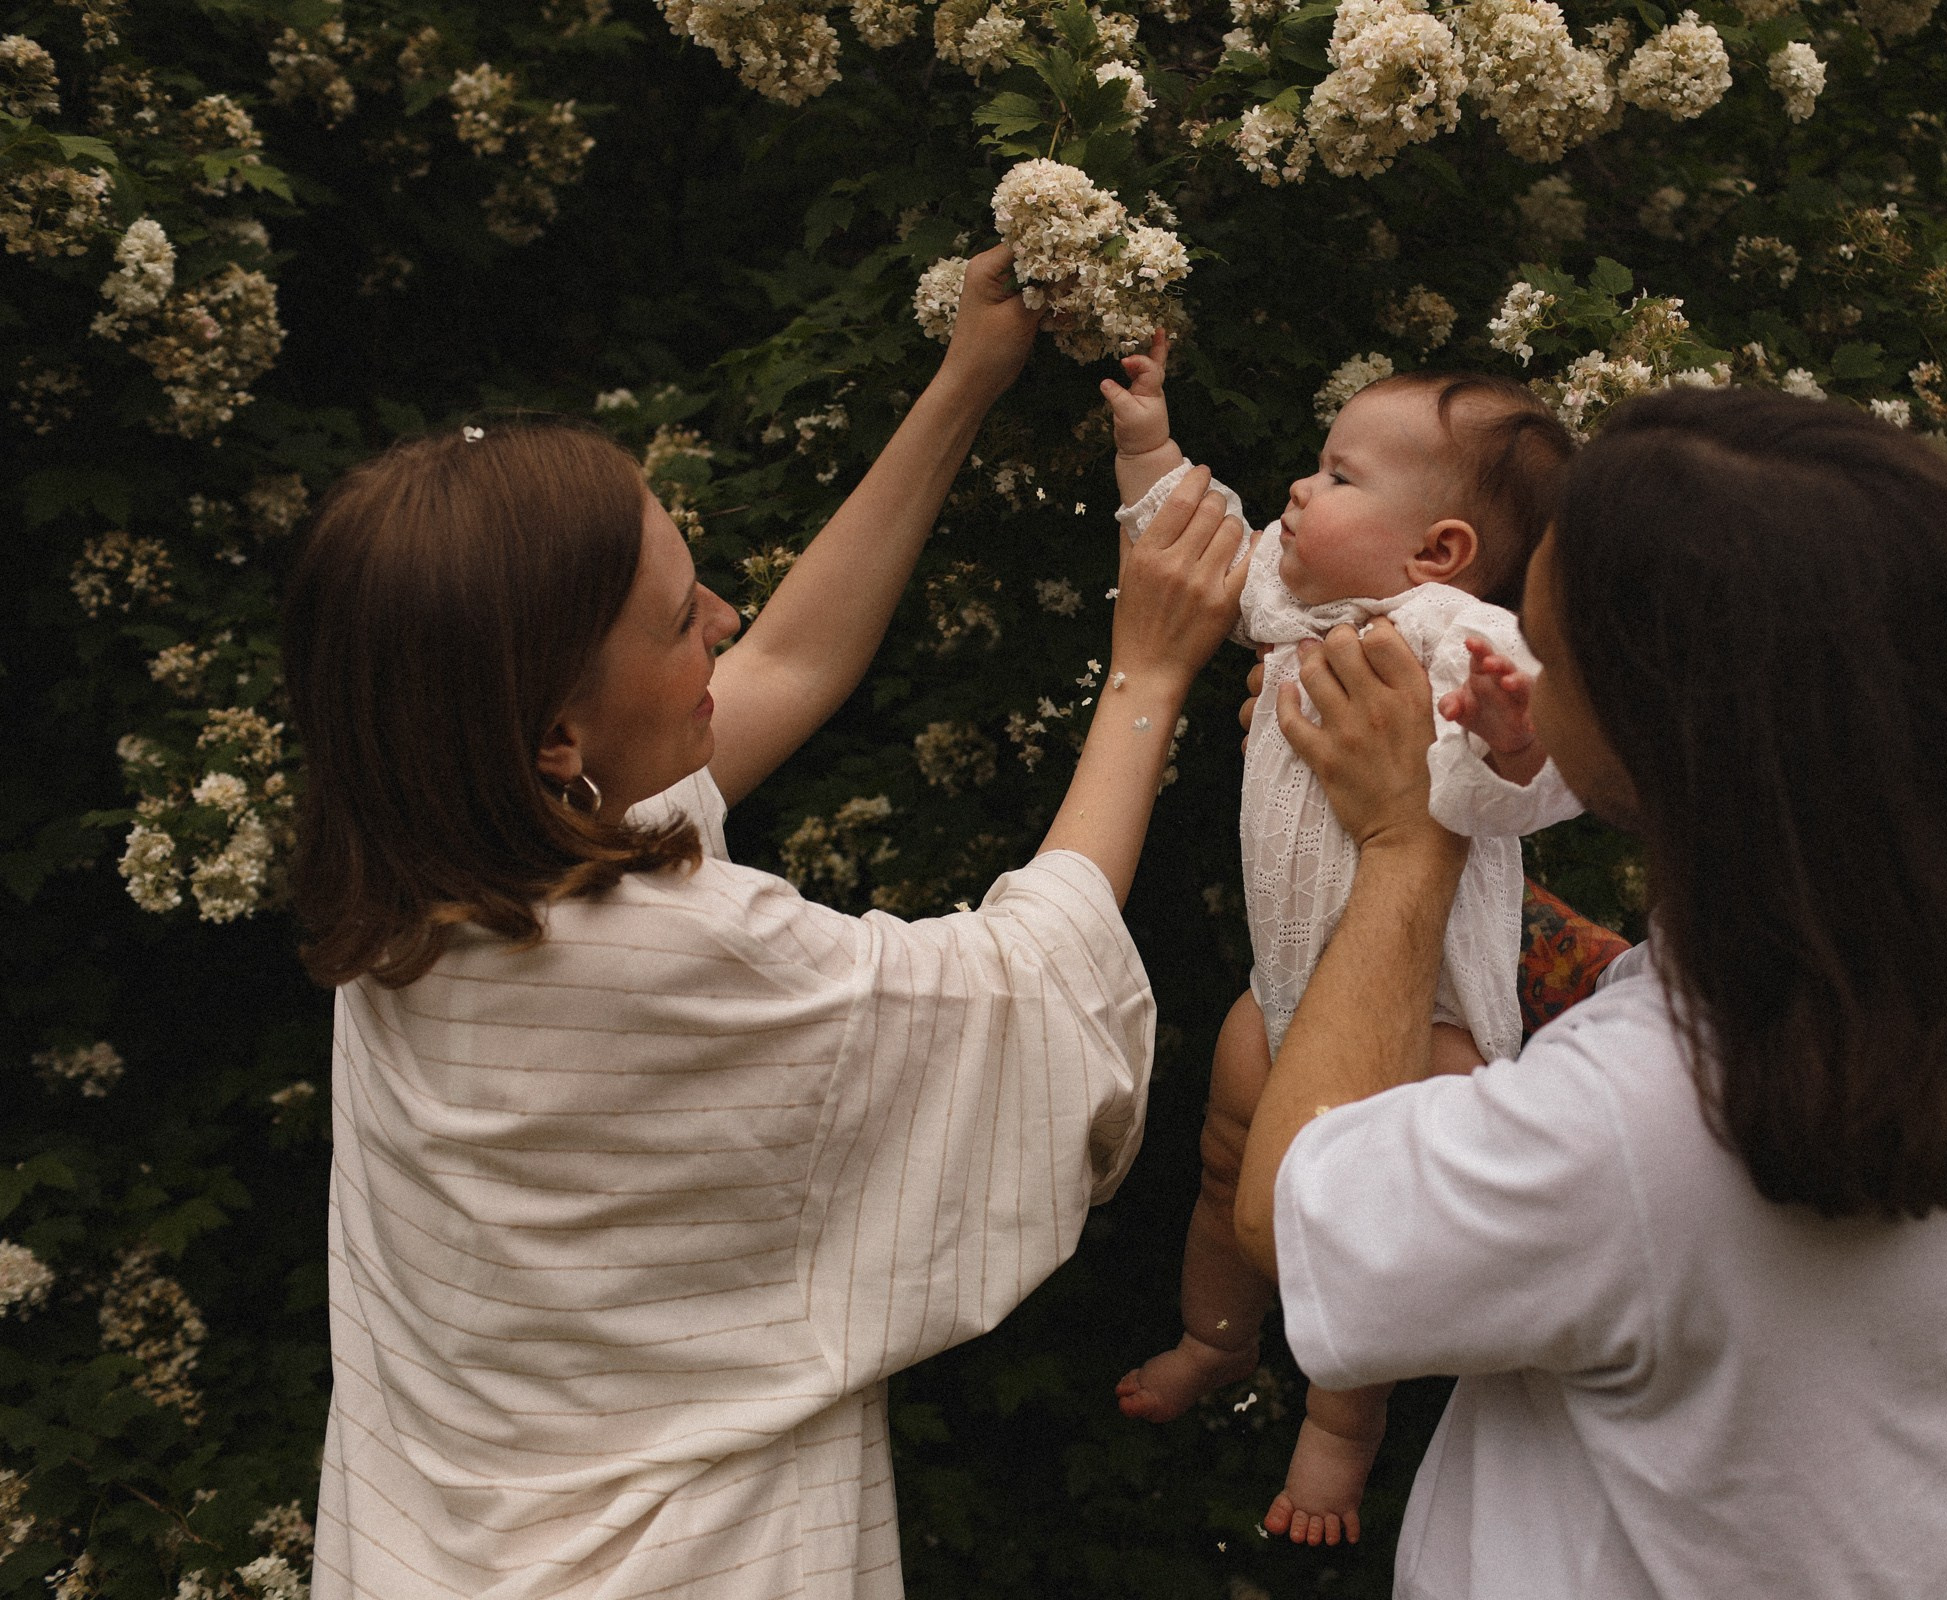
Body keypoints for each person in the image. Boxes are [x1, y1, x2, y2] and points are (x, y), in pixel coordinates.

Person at [279, 247, 1250, 1600]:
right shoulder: (682, 955)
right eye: (683, 620)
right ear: (560, 734)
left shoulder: (419, 888)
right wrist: (1146, 673)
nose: (725, 621)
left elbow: (785, 663)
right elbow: (1038, 993)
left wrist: (966, 381)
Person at [1232, 386, 1947, 1597]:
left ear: (1671, 725)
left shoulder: (1634, 1123)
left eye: (1550, 652)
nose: (1519, 659)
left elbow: (1290, 1206)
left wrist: (1414, 839)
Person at [1102, 336, 1582, 1543]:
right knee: (1226, 1164)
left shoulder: (1448, 630)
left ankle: (1339, 1431)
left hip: (1427, 1021)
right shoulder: (1290, 595)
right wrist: (1143, 434)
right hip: (1283, 990)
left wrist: (1517, 736)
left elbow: (1547, 773)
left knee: (1361, 1240)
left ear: (1440, 549)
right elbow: (1189, 531)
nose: (1303, 491)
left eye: (1339, 474)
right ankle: (1215, 1338)